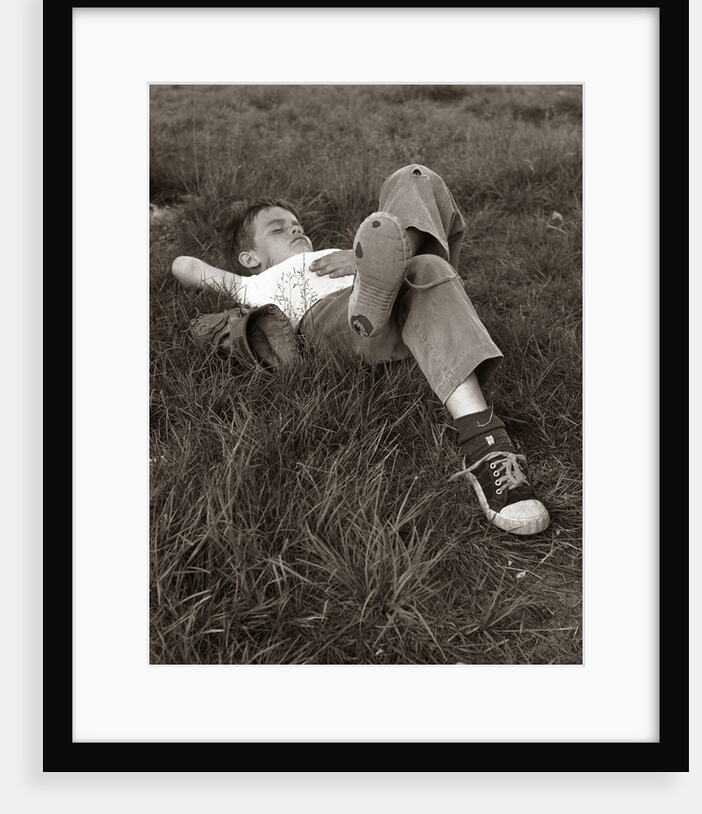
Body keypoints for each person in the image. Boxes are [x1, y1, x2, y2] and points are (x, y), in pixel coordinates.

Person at [171, 164, 550, 536]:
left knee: (415, 181)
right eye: (278, 228)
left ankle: (396, 263)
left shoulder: (343, 252)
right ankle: (486, 443)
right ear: (250, 258)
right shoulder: (252, 284)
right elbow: (183, 265)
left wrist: (360, 261)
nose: (295, 229)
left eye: (297, 225)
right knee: (413, 273)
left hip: (388, 289)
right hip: (328, 322)